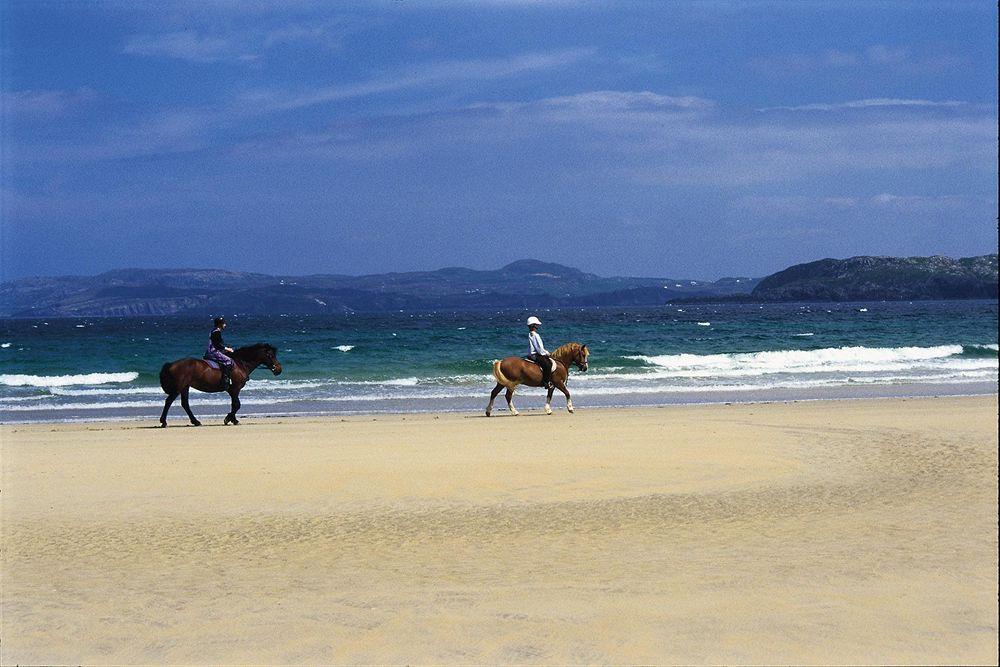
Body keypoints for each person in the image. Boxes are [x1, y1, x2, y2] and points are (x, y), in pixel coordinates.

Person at [204, 316, 235, 390]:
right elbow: (218, 346)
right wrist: (227, 349)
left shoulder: (213, 331)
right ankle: (225, 380)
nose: (225, 325)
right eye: (224, 324)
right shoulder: (217, 332)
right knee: (229, 361)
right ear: (220, 324)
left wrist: (226, 348)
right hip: (213, 352)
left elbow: (217, 343)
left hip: (210, 350)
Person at [526, 315, 553, 389]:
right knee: (548, 365)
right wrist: (547, 353)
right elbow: (539, 349)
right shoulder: (535, 335)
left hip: (530, 355)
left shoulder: (530, 334)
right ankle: (546, 382)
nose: (538, 325)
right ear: (534, 325)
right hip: (535, 355)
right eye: (537, 324)